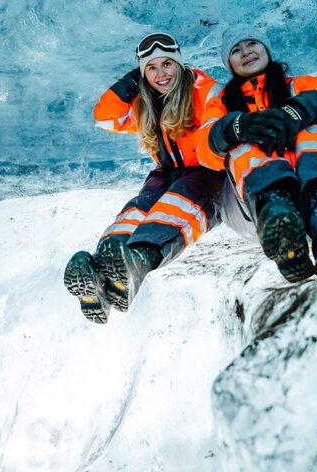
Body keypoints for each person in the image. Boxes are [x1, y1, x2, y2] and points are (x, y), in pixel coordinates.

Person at [64, 32, 226, 324]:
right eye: (151, 68)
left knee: (175, 207)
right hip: (166, 170)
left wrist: (206, 152)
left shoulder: (204, 90)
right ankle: (102, 278)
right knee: (139, 207)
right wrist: (130, 83)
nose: (161, 73)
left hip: (206, 172)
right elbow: (105, 117)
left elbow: (215, 129)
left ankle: (137, 262)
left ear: (179, 64)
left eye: (167, 64)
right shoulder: (145, 101)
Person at [196, 26, 317, 282]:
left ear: (266, 49)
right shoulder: (222, 103)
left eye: (251, 44)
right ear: (230, 63)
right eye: (236, 50)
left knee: (316, 128)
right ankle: (278, 217)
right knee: (248, 143)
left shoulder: (299, 86)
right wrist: (237, 127)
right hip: (257, 209)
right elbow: (204, 149)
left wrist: (297, 112)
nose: (246, 52)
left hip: (310, 190)